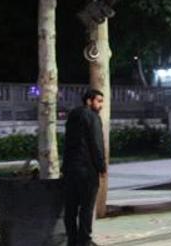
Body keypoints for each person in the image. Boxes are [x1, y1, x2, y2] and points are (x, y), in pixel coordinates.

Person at [62, 89, 106, 246]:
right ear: (89, 101)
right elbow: (96, 144)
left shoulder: (72, 116)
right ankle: (85, 240)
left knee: (71, 208)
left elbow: (67, 144)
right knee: (86, 208)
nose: (101, 105)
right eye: (98, 101)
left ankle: (72, 240)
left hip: (70, 169)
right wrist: (101, 166)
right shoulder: (92, 117)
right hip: (87, 170)